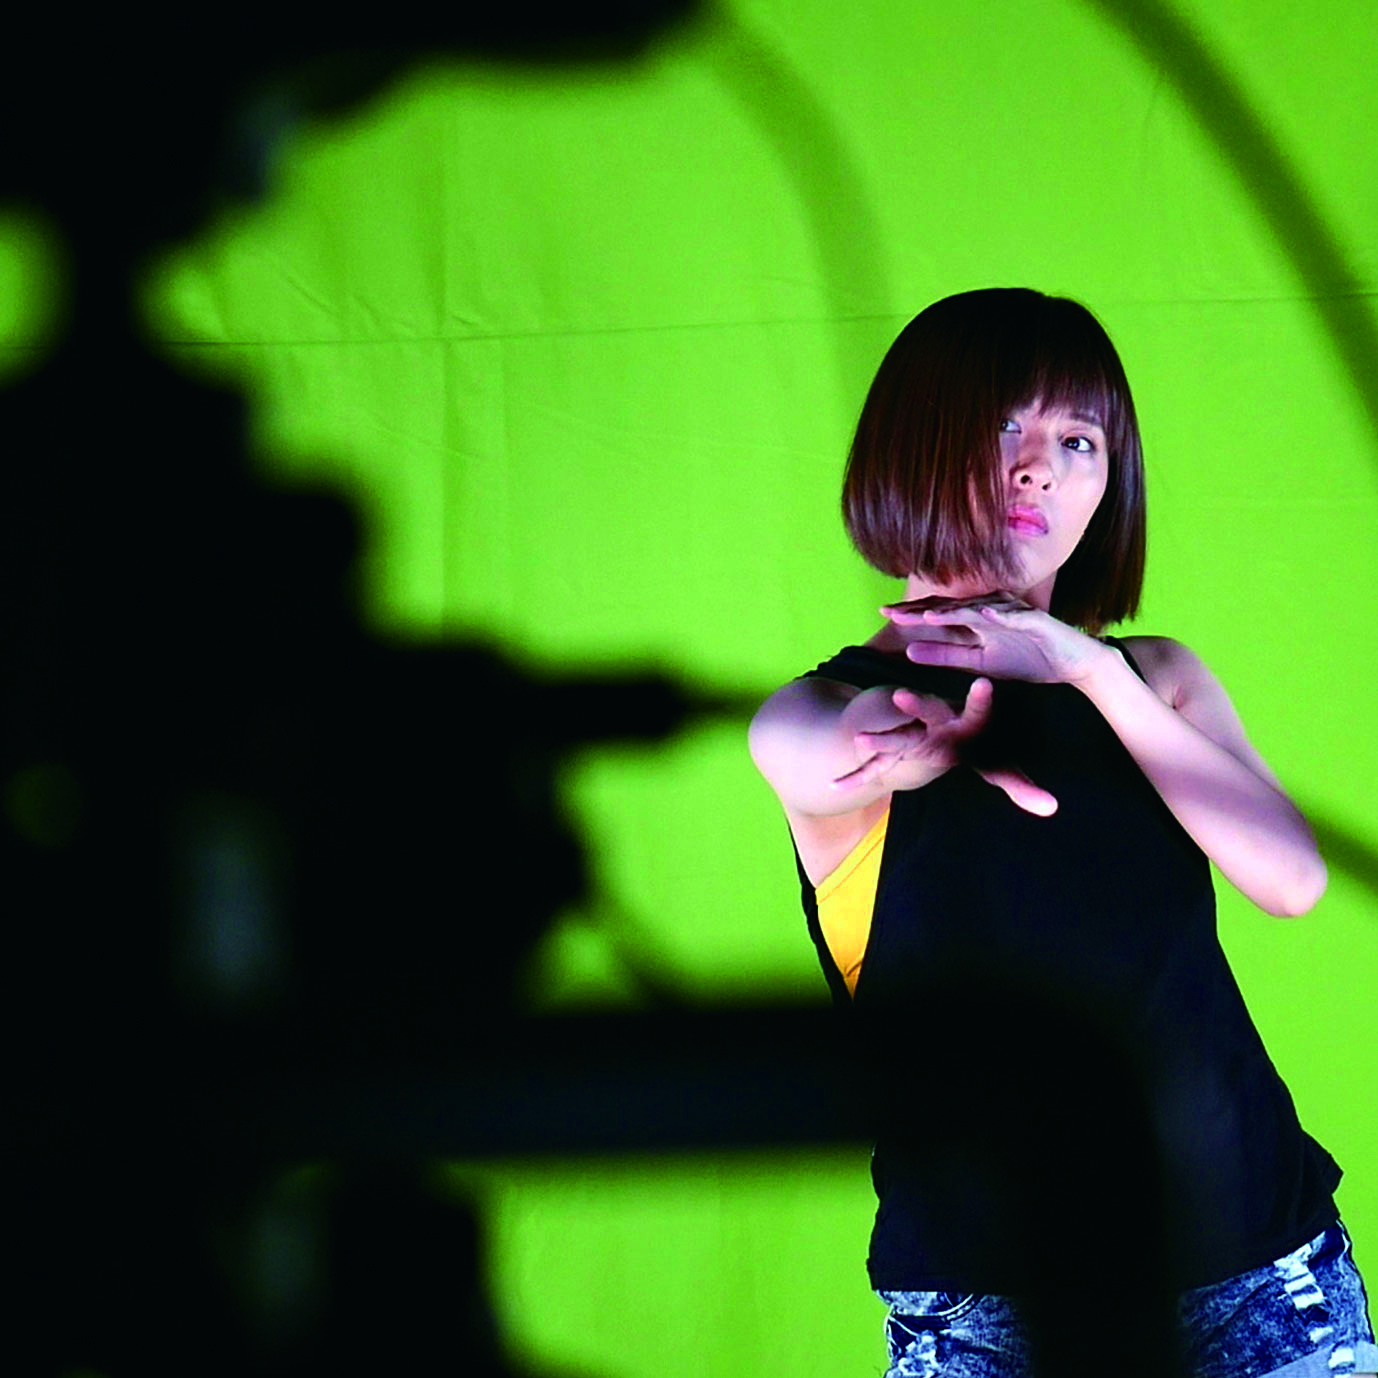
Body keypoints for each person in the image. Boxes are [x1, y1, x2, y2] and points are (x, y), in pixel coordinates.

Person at [747, 288, 1377, 1378]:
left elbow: (1291, 880)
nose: (1038, 467)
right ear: (913, 443)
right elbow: (813, 750)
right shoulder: (819, 709)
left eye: (1078, 440)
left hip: (1259, 1273)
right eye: (1003, 424)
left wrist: (1090, 672)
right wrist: (904, 741)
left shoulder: (1158, 680)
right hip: (983, 1307)